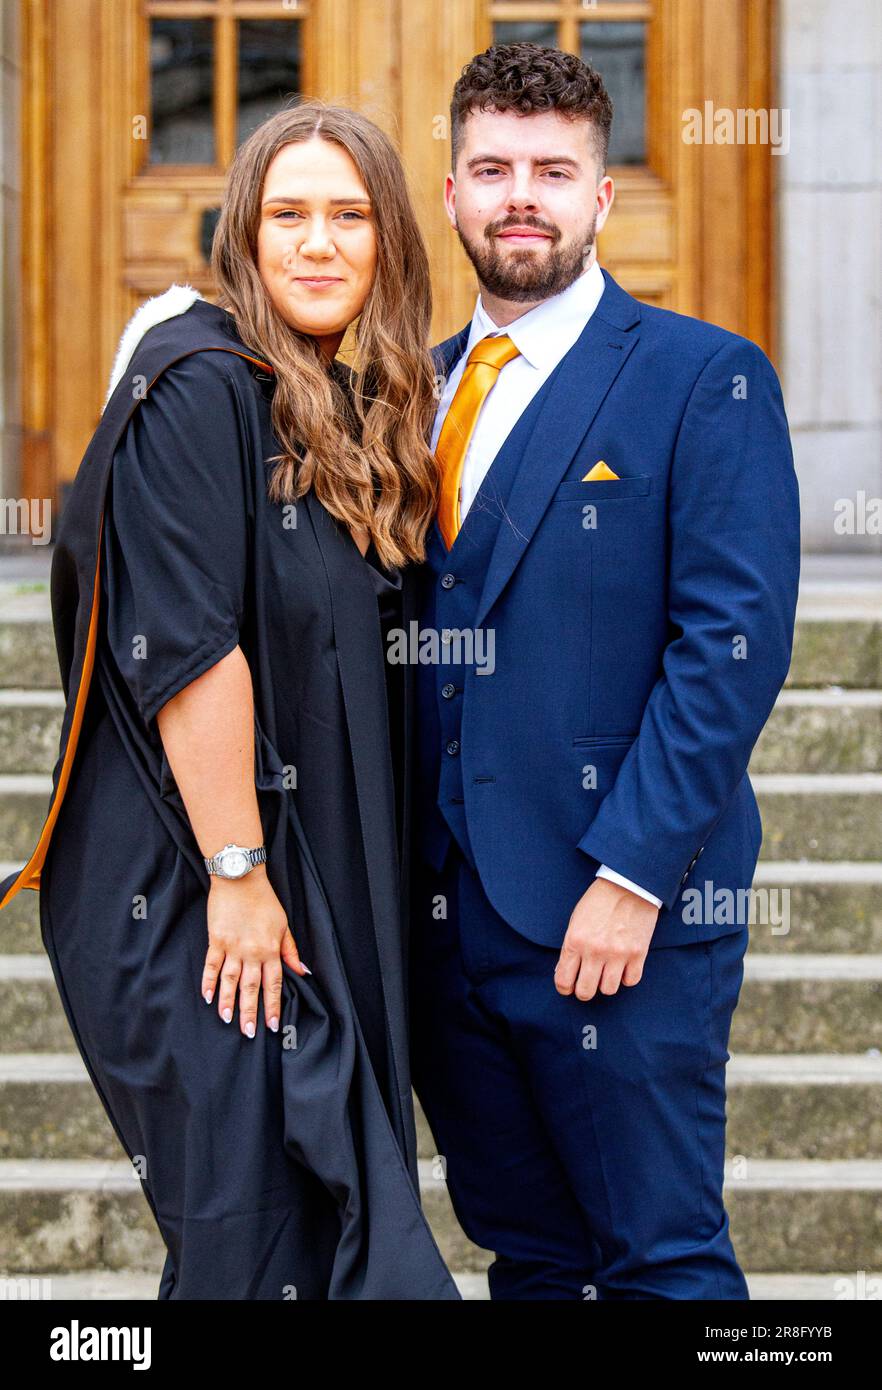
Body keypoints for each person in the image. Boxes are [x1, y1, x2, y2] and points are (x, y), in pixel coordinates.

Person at [0, 101, 460, 1301]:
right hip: (205, 898)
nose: (318, 242)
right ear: (243, 240)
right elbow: (193, 653)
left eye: (349, 216)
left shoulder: (330, 403)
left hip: (301, 889)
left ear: (390, 244)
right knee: (268, 1241)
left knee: (301, 1246)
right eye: (287, 215)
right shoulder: (196, 387)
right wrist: (240, 876)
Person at [410, 43, 800, 1300]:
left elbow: (729, 649)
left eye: (552, 170)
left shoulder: (705, 378)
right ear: (455, 187)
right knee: (530, 1261)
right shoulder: (408, 391)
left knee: (663, 1262)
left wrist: (634, 873)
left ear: (601, 197)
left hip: (622, 919)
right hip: (448, 925)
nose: (520, 193)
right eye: (492, 168)